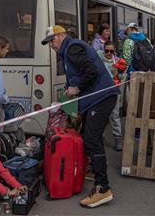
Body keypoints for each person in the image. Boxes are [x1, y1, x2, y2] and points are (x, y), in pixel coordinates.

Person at [41, 25, 120, 208]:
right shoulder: (69, 50)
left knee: (92, 139)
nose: (51, 45)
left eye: (52, 40)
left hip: (101, 98)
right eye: (48, 42)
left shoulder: (72, 48)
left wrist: (76, 88)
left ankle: (103, 188)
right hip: (95, 99)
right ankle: (92, 168)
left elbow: (90, 72)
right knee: (87, 136)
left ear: (62, 36)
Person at [97, 41, 127, 151]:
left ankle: (118, 139)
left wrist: (120, 72)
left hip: (113, 92)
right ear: (103, 49)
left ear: (114, 51)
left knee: (114, 115)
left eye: (111, 51)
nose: (109, 53)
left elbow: (120, 77)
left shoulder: (118, 61)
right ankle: (100, 138)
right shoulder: (98, 59)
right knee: (100, 116)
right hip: (100, 92)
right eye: (107, 51)